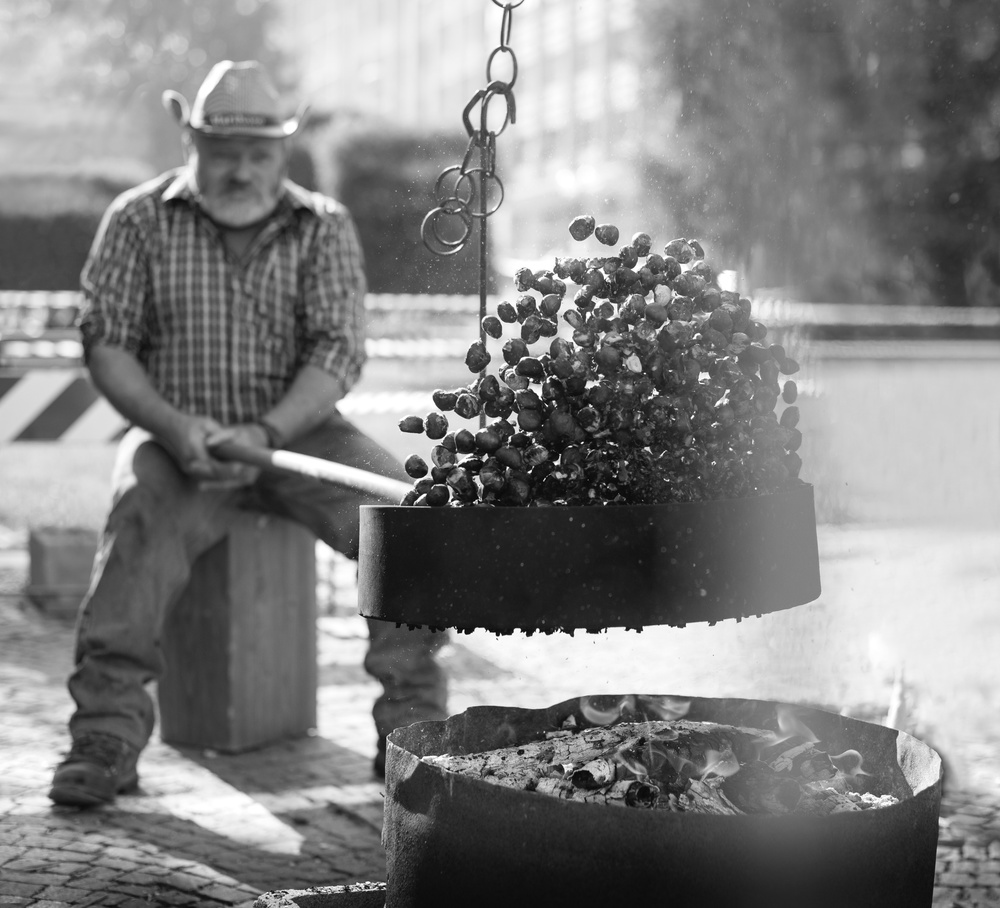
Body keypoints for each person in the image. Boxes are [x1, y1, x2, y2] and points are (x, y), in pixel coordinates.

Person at [48, 60, 448, 807]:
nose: (241, 171)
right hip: (175, 440)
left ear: (281, 150)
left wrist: (266, 432)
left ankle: (411, 732)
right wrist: (176, 427)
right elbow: (106, 343)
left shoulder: (321, 225)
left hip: (300, 433)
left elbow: (337, 352)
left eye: (258, 155)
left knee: (408, 526)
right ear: (191, 141)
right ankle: (103, 738)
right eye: (223, 154)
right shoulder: (136, 220)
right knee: (136, 535)